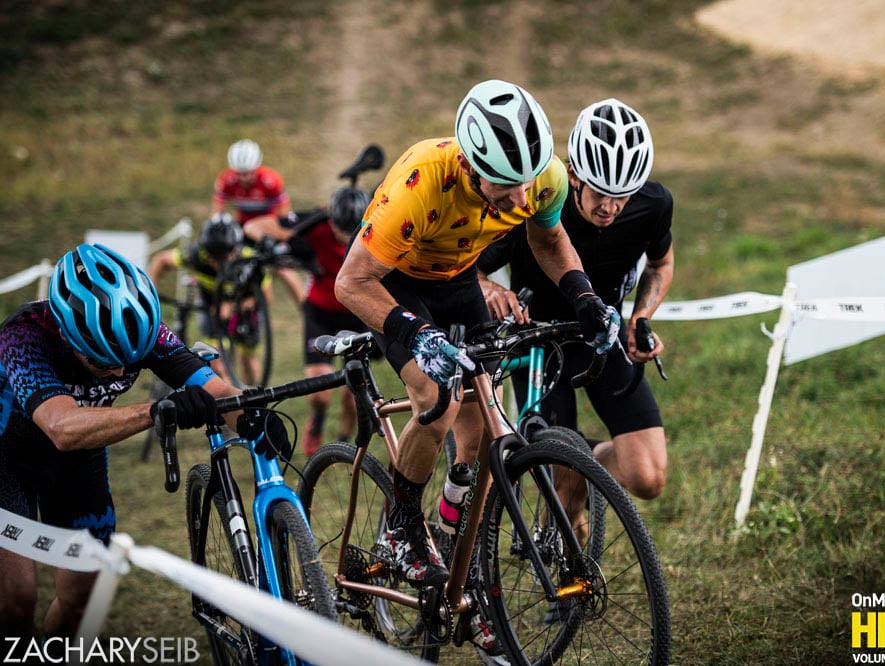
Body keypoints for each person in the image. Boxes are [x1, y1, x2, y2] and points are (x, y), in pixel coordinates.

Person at [335, 79, 620, 654]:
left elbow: (549, 239)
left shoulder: (544, 175)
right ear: (469, 163)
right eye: (505, 188)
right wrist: (413, 334)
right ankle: (401, 525)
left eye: (526, 185)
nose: (520, 201)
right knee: (436, 401)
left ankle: (462, 562)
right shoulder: (420, 181)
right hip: (396, 286)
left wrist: (585, 297)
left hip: (458, 281)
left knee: (483, 434)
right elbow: (351, 281)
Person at [0, 244, 290, 640]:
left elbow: (215, 391)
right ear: (69, 336)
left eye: (128, 360)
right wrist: (154, 410)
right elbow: (61, 427)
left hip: (78, 463)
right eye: (102, 362)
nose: (119, 370)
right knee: (16, 601)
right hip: (8, 461)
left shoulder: (143, 330)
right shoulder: (24, 337)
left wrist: (254, 420)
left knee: (78, 601)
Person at [478, 97, 674, 526]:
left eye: (622, 197)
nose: (610, 207)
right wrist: (490, 288)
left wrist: (641, 316)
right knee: (563, 492)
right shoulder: (540, 204)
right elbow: (469, 268)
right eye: (600, 194)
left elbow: (661, 263)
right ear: (573, 175)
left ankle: (583, 464)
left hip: (601, 335)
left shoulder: (653, 206)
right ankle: (567, 545)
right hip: (541, 345)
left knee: (649, 477)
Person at [242, 186, 371, 455]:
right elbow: (254, 226)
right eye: (339, 229)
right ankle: (318, 422)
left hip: (358, 313)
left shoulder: (375, 229)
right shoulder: (315, 223)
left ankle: (345, 446)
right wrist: (268, 243)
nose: (344, 237)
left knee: (354, 396)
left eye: (351, 231)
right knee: (320, 393)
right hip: (320, 313)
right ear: (330, 218)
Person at [148, 213, 264, 384]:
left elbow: (265, 298)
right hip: (212, 309)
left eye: (223, 257)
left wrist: (234, 307)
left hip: (245, 309)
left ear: (235, 249)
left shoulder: (250, 259)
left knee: (248, 359)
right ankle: (234, 400)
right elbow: (161, 260)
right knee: (216, 361)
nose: (217, 263)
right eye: (212, 257)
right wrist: (149, 292)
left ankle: (254, 394)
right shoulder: (195, 254)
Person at [213, 139, 305, 302]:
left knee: (284, 270)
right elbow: (217, 212)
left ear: (257, 166)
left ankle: (304, 306)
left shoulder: (271, 181)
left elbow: (284, 214)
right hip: (243, 229)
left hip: (267, 229)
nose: (244, 178)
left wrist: (282, 239)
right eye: (239, 173)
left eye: (248, 173)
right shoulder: (226, 180)